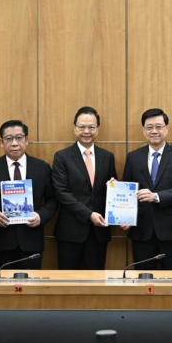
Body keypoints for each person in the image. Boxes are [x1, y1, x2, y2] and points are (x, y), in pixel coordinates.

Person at [0, 120, 58, 269]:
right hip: (1, 242)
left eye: (19, 138)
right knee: (3, 282)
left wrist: (41, 216)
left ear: (26, 140)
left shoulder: (42, 168)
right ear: (1, 142)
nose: (14, 143)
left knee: (31, 283)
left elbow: (53, 199)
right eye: (9, 138)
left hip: (32, 242)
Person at [121, 109, 172, 270]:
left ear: (166, 128)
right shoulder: (133, 157)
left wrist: (156, 197)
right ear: (143, 130)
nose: (154, 131)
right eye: (149, 127)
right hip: (141, 230)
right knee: (142, 278)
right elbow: (127, 190)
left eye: (159, 126)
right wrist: (124, 214)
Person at [51, 107, 117, 270]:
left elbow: (111, 192)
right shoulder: (62, 157)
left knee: (97, 280)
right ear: (75, 128)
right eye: (82, 127)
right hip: (70, 232)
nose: (86, 131)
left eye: (91, 127)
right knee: (68, 280)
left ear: (97, 129)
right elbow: (61, 192)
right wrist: (89, 214)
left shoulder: (107, 157)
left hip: (99, 231)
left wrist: (114, 188)